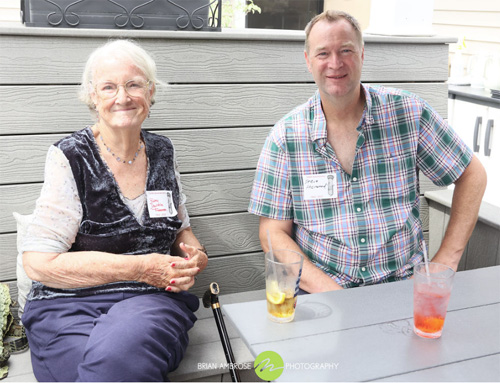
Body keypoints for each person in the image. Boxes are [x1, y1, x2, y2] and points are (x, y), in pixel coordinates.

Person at [248, 10, 487, 294]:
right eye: (323, 53)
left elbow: (472, 174)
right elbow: (272, 232)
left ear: (362, 54)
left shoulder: (408, 114)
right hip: (322, 292)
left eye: (345, 50)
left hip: (403, 287)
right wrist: (335, 295)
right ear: (308, 61)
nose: (335, 63)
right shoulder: (286, 137)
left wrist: (445, 262)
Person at [21, 39, 208, 382]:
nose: (122, 97)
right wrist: (140, 267)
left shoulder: (163, 151)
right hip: (66, 305)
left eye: (134, 84)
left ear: (151, 92)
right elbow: (38, 263)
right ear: (92, 95)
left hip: (148, 301)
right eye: (109, 87)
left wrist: (194, 255)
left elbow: (181, 229)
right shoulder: (70, 156)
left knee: (119, 358)